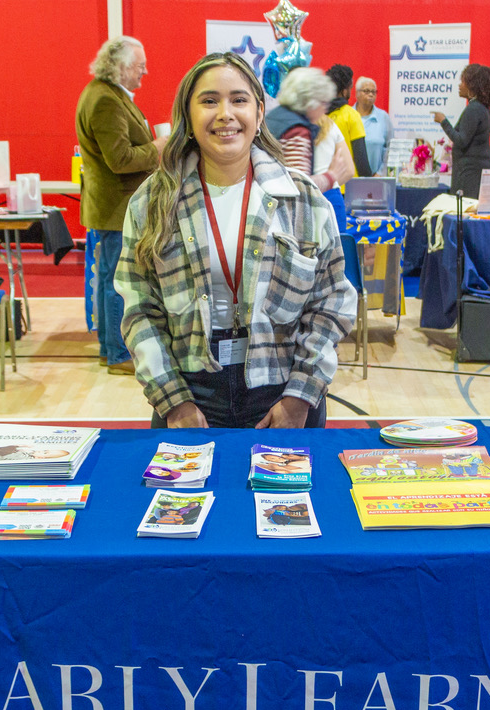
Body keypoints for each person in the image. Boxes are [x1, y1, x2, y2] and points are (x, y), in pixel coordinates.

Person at [116, 52, 356, 430]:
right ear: (188, 115)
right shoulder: (152, 203)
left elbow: (332, 303)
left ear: (259, 113)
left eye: (238, 100)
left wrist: (299, 398)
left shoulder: (305, 201)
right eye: (209, 100)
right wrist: (173, 402)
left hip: (283, 393)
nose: (225, 113)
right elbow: (139, 310)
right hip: (191, 396)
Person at [75, 36, 168, 375]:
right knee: (117, 284)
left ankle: (108, 350)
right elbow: (121, 159)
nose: (145, 71)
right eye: (139, 65)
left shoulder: (105, 94)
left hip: (111, 207)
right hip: (116, 209)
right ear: (121, 67)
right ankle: (117, 354)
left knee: (109, 283)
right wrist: (158, 147)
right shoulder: (105, 101)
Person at [265, 67, 355, 222]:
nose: (325, 109)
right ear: (311, 102)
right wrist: (330, 176)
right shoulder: (297, 131)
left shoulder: (274, 117)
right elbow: (298, 187)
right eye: (323, 103)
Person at [431, 64, 490, 199]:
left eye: (463, 82)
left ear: (473, 87)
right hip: (477, 170)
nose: (459, 85)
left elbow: (461, 140)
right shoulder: (483, 108)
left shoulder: (473, 109)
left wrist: (443, 121)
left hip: (467, 174)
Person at [324, 64, 373, 178]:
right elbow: (361, 159)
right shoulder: (351, 115)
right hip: (349, 186)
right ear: (344, 91)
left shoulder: (319, 115)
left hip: (325, 185)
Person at [355, 76, 393, 174]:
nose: (371, 95)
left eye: (373, 92)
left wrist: (381, 172)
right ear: (357, 93)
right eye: (366, 91)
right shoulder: (349, 115)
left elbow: (391, 148)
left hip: (377, 178)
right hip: (351, 179)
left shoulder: (383, 117)